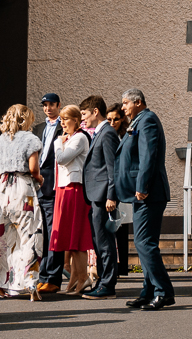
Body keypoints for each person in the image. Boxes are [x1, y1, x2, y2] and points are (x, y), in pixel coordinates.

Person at [116, 87, 174, 310]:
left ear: (137, 102)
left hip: (149, 193)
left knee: (144, 243)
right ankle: (148, 291)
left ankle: (164, 291)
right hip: (143, 193)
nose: (123, 107)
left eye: (125, 103)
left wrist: (142, 186)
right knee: (143, 243)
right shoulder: (139, 120)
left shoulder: (147, 120)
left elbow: (147, 155)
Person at [0, 102, 43, 300]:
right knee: (28, 234)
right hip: (22, 186)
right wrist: (40, 180)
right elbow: (34, 168)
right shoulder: (30, 139)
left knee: (2, 235)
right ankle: (29, 282)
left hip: (4, 189)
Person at [48, 104, 95, 294]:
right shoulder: (70, 138)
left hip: (74, 188)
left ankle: (83, 277)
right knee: (69, 236)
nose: (62, 123)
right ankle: (75, 277)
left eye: (65, 119)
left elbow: (62, 158)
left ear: (76, 120)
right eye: (60, 120)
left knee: (77, 235)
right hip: (63, 188)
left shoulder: (80, 138)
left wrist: (58, 142)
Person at [80, 96, 120, 297]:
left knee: (104, 243)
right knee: (98, 242)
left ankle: (107, 284)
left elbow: (113, 168)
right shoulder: (100, 133)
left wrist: (111, 197)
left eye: (85, 114)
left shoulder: (107, 134)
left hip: (103, 197)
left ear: (96, 111)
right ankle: (103, 281)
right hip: (96, 196)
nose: (83, 119)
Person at [32, 93, 65, 294]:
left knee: (54, 231)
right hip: (39, 184)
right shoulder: (38, 129)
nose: (48, 108)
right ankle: (43, 276)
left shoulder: (64, 126)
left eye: (51, 104)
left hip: (55, 184)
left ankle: (53, 277)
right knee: (42, 233)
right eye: (45, 105)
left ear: (58, 105)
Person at [104, 106, 133, 282]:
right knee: (111, 226)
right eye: (109, 120)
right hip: (112, 185)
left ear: (122, 119)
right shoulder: (107, 134)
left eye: (116, 119)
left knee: (122, 226)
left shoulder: (125, 135)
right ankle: (114, 264)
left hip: (123, 184)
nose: (113, 123)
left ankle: (123, 266)